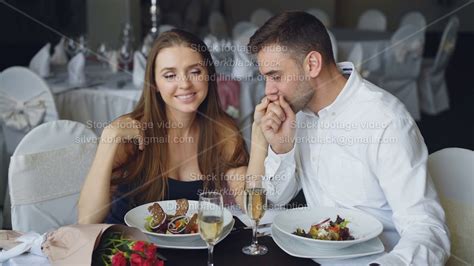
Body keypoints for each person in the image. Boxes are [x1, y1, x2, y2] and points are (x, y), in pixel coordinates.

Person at [248, 11, 450, 265]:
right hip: (311, 256)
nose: (268, 91)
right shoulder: (297, 114)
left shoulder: (385, 120)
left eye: (275, 76)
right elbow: (276, 199)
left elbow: (428, 229)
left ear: (312, 64)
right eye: (265, 78)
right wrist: (281, 149)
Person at [78, 29, 268, 224]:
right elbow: (86, 220)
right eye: (170, 75)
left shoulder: (221, 131)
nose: (184, 84)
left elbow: (251, 207)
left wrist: (260, 139)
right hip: (129, 248)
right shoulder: (130, 133)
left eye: (195, 71)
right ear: (155, 84)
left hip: (190, 250)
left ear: (209, 76)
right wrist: (108, 139)